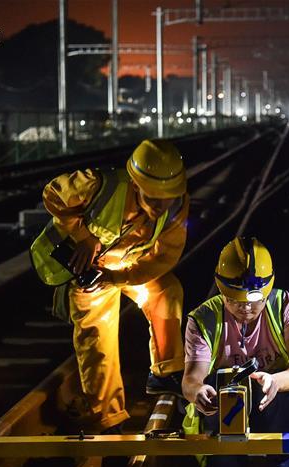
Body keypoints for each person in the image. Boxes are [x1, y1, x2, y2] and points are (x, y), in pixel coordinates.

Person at [30, 139, 189, 434]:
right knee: (98, 335)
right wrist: (82, 235)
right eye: (153, 197)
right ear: (136, 182)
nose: (160, 204)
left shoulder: (176, 205)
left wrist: (119, 279)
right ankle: (106, 416)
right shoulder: (101, 185)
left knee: (167, 291)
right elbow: (53, 193)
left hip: (127, 268)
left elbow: (166, 255)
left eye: (166, 197)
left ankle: (166, 373)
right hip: (89, 270)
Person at [182, 237, 289, 467]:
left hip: (273, 401)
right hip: (228, 408)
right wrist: (196, 391)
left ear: (267, 290)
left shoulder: (287, 305)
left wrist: (277, 381)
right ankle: (226, 463)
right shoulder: (202, 319)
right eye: (234, 301)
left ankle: (284, 463)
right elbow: (191, 378)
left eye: (254, 300)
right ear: (222, 291)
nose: (245, 308)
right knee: (213, 387)